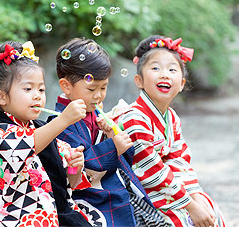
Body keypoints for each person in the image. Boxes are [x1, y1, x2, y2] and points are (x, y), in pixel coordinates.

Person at [0, 40, 92, 226]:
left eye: (41, 89)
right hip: (13, 220)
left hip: (55, 215)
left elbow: (69, 185)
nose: (37, 95)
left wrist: (75, 166)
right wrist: (64, 119)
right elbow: (24, 147)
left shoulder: (40, 128)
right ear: (1, 96)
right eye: (28, 89)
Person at [111, 36, 226, 227]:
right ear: (139, 81)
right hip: (140, 192)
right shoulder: (133, 118)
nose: (164, 74)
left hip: (166, 189)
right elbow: (152, 170)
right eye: (155, 68)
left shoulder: (171, 117)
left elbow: (179, 159)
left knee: (210, 209)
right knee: (180, 220)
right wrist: (189, 205)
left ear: (181, 84)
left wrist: (196, 196)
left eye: (172, 70)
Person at [54, 38, 165, 226]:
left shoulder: (95, 113)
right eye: (91, 89)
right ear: (66, 86)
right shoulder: (61, 122)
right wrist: (113, 146)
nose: (98, 95)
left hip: (113, 190)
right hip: (88, 198)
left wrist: (112, 135)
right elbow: (78, 164)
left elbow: (123, 155)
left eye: (103, 87)